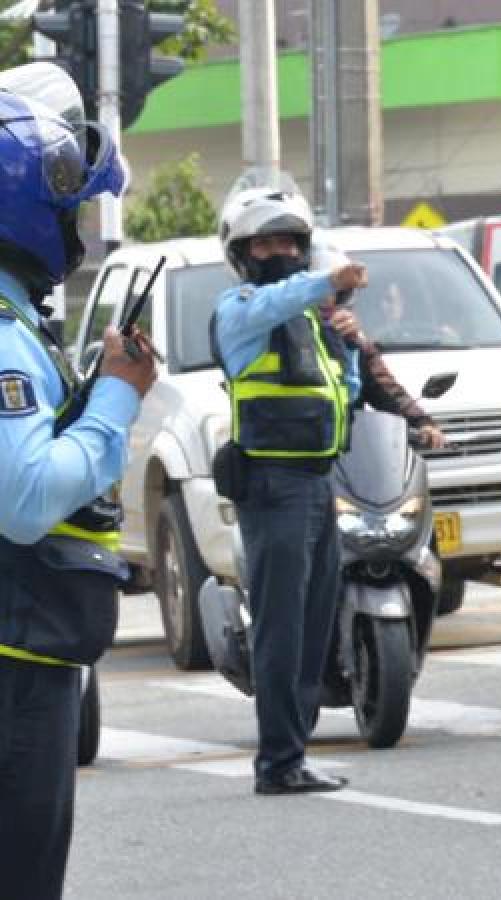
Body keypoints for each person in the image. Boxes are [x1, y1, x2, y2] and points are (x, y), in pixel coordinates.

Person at [0, 64, 156, 899]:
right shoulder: (3, 336)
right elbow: (22, 501)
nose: (78, 230)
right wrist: (116, 404)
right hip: (18, 658)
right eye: (70, 209)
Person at [211, 179, 366, 795]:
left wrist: (346, 341)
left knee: (312, 624)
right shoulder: (241, 312)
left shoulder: (311, 320)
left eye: (290, 241)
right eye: (266, 242)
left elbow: (342, 392)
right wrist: (327, 284)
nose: (279, 251)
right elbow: (276, 303)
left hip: (318, 481)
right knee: (279, 627)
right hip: (273, 487)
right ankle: (276, 762)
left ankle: (293, 752)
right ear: (244, 254)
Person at [311, 241, 446, 448]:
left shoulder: (352, 340)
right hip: (288, 455)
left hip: (343, 458)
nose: (326, 300)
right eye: (318, 291)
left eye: (334, 291)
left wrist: (421, 423)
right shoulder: (275, 333)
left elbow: (382, 387)